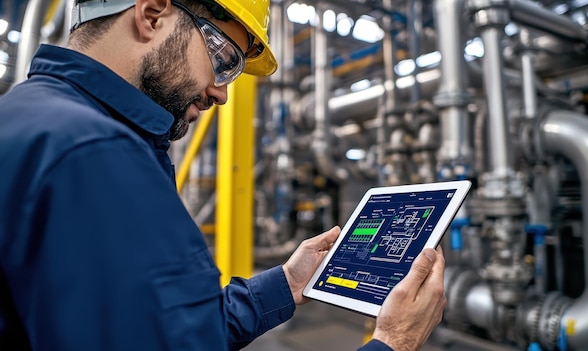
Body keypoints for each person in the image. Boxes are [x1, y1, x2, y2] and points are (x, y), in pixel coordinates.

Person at [0, 0, 447, 350]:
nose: (221, 92)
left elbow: (166, 330)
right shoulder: (97, 156)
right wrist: (394, 343)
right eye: (223, 57)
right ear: (153, 14)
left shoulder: (34, 118)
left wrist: (288, 284)